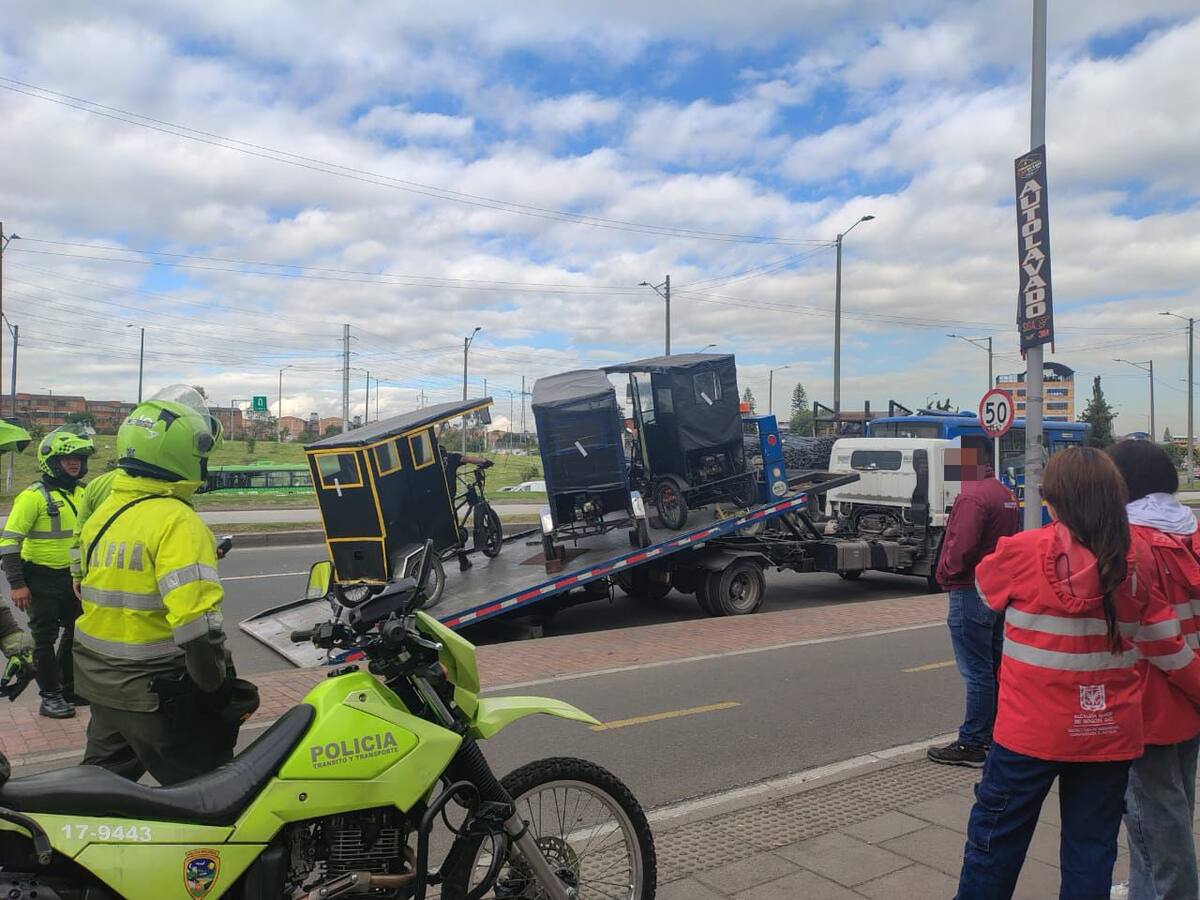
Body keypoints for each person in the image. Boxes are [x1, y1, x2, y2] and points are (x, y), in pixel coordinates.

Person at [955, 447, 1200, 900]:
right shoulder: (1141, 557)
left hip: (1030, 734)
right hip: (1109, 735)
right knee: (1091, 851)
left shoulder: (1024, 551)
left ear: (1053, 501)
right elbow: (1161, 634)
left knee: (996, 843)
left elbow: (986, 588)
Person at [75, 385, 257, 785]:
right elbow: (196, 627)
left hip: (102, 687)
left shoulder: (106, 511)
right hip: (154, 695)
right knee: (210, 798)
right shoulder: (178, 521)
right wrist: (213, 690)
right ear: (183, 454)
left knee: (93, 796)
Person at [1107, 440, 1200, 900]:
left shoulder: (1130, 541)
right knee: (1176, 805)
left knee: (1154, 818)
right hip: (1189, 703)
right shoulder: (1192, 531)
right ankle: (1146, 887)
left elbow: (1154, 633)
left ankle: (1168, 893)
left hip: (1149, 702)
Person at [928, 440, 1019, 767]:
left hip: (969, 589)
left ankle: (972, 743)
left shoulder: (973, 496)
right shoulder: (1004, 493)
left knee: (976, 671)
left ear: (970, 462)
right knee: (994, 666)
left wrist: (947, 573)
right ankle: (995, 734)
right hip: (994, 590)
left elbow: (960, 547)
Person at [0, 425, 95, 718]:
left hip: (73, 578)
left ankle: (67, 687)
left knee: (77, 632)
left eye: (79, 457)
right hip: (39, 578)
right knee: (44, 638)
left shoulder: (84, 493)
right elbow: (9, 542)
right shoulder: (33, 497)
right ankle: (49, 696)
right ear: (51, 462)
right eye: (68, 458)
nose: (74, 463)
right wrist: (17, 584)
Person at [440, 446, 492, 571]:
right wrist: (484, 461)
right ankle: (463, 561)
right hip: (447, 500)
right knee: (455, 530)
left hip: (434, 500)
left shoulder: (428, 462)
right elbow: (468, 458)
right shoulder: (451, 458)